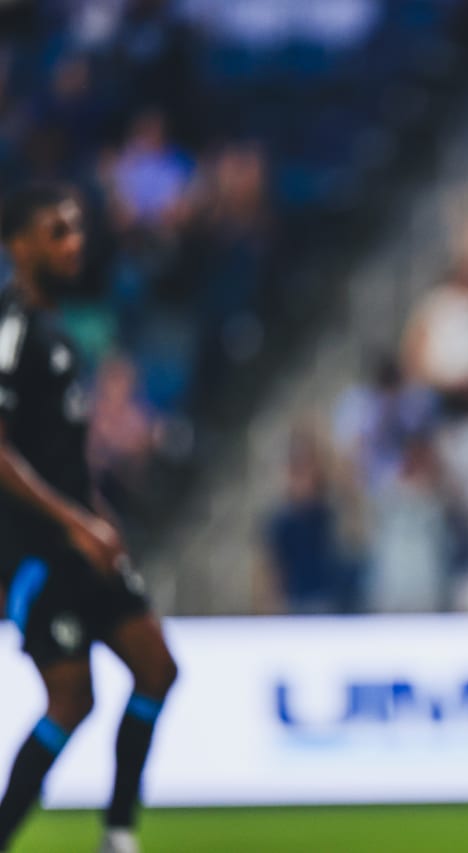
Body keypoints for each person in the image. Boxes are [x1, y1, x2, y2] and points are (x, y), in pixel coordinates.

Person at [0, 185, 178, 853]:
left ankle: (118, 831)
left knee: (157, 668)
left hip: (82, 539)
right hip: (39, 552)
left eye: (76, 230)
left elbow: (65, 459)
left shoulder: (59, 334)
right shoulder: (12, 327)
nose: (74, 243)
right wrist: (76, 523)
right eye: (57, 231)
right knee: (71, 701)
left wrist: (99, 517)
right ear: (19, 244)